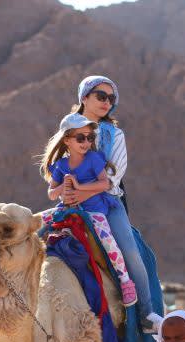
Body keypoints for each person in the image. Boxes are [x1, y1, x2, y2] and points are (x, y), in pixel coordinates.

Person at [63, 75, 156, 327]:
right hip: (72, 201)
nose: (107, 102)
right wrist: (65, 191)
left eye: (111, 98)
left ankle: (146, 314)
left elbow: (114, 176)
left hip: (108, 201)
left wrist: (83, 192)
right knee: (37, 243)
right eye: (101, 96)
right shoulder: (68, 129)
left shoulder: (115, 134)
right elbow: (56, 163)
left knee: (131, 252)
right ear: (84, 98)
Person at [39, 112, 138, 305]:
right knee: (36, 226)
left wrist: (79, 186)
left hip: (94, 210)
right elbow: (52, 194)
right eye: (80, 138)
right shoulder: (60, 165)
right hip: (67, 209)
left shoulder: (93, 159)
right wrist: (63, 186)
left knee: (108, 241)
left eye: (90, 137)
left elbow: (105, 184)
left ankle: (125, 281)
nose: (86, 142)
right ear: (67, 140)